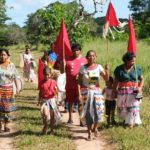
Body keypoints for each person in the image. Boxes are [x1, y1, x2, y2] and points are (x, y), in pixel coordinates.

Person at [78, 50, 109, 140]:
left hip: (97, 93)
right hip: (86, 93)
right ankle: (89, 133)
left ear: (96, 57)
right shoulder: (82, 68)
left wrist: (107, 70)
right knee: (88, 113)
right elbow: (79, 82)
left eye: (93, 56)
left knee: (98, 112)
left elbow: (106, 79)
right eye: (89, 56)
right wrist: (79, 94)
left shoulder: (99, 67)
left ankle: (94, 128)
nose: (91, 57)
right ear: (86, 57)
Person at [113, 52, 144, 128]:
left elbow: (142, 79)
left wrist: (140, 87)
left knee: (134, 106)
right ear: (126, 60)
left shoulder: (137, 69)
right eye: (132, 61)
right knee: (124, 107)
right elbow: (116, 81)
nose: (133, 63)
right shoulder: (119, 69)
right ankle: (126, 121)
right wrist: (114, 90)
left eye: (134, 61)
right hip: (122, 92)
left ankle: (131, 123)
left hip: (134, 92)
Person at [64, 43, 87, 124]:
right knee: (70, 102)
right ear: (71, 51)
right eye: (74, 50)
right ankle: (70, 118)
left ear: (80, 51)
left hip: (81, 86)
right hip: (70, 85)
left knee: (80, 103)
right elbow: (62, 71)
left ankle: (81, 120)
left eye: (77, 50)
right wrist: (62, 64)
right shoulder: (67, 60)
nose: (76, 52)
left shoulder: (85, 60)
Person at [0, 48, 20, 132]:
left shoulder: (11, 65)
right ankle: (1, 125)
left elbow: (15, 77)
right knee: (0, 108)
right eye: (1, 54)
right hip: (0, 89)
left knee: (8, 108)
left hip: (9, 90)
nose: (2, 56)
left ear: (7, 56)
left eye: (4, 54)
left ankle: (7, 125)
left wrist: (18, 87)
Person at [38, 67, 61, 134]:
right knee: (45, 114)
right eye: (45, 75)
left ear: (50, 74)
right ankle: (45, 125)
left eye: (48, 75)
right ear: (43, 74)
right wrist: (39, 100)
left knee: (52, 116)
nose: (47, 76)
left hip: (52, 100)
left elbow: (56, 91)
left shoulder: (53, 82)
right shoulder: (41, 82)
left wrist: (57, 98)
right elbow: (40, 92)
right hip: (45, 101)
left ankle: (52, 129)